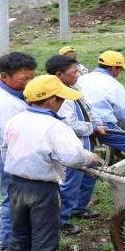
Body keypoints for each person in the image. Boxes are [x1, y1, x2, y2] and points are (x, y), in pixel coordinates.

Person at [1, 75, 101, 251]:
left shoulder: (15, 121)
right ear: (51, 101)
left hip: (16, 185)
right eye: (61, 99)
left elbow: (4, 150)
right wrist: (90, 157)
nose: (63, 103)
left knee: (20, 229)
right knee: (45, 233)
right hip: (42, 188)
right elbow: (72, 157)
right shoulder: (55, 127)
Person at [0, 52, 36, 251]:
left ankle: (21, 238)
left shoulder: (18, 93)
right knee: (12, 201)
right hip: (11, 157)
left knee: (21, 200)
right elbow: (15, 141)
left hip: (20, 153)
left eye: (33, 77)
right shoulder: (3, 104)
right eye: (25, 79)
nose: (30, 83)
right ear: (4, 76)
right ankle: (8, 245)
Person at [46, 55, 105, 236]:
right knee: (71, 183)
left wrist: (97, 122)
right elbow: (69, 124)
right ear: (59, 74)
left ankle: (79, 208)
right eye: (73, 72)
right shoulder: (59, 98)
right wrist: (93, 127)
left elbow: (88, 108)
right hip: (72, 145)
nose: (78, 74)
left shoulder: (73, 87)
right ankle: (61, 221)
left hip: (86, 141)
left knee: (88, 177)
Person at [78, 50, 125, 154]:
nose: (119, 73)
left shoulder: (81, 79)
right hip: (103, 125)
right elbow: (123, 112)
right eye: (120, 70)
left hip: (81, 122)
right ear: (114, 68)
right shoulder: (114, 85)